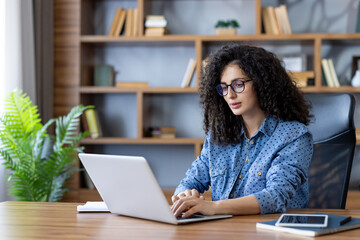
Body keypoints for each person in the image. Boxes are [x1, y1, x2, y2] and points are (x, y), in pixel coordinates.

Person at [171, 44, 313, 218]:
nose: (229, 95)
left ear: (261, 83)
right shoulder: (218, 135)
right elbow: (190, 180)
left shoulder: (294, 136)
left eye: (238, 84)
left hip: (273, 231)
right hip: (226, 230)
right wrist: (184, 195)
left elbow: (276, 196)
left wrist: (213, 207)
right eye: (223, 87)